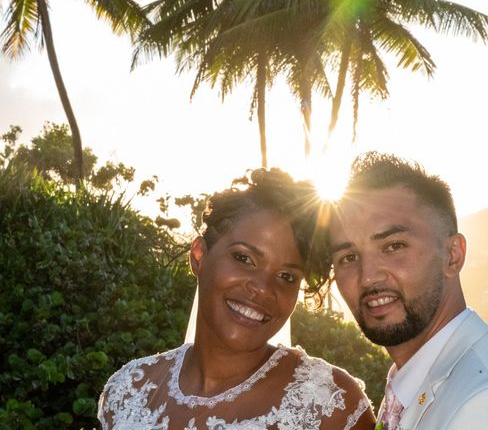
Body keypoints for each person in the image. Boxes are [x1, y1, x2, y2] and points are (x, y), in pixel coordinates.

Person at [98, 168, 375, 430]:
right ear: (199, 256)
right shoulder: (127, 392)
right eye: (244, 258)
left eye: (287, 276)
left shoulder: (332, 407)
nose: (264, 289)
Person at [327, 152, 488, 430]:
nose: (367, 277)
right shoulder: (414, 381)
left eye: (393, 246)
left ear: (452, 255)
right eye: (349, 257)